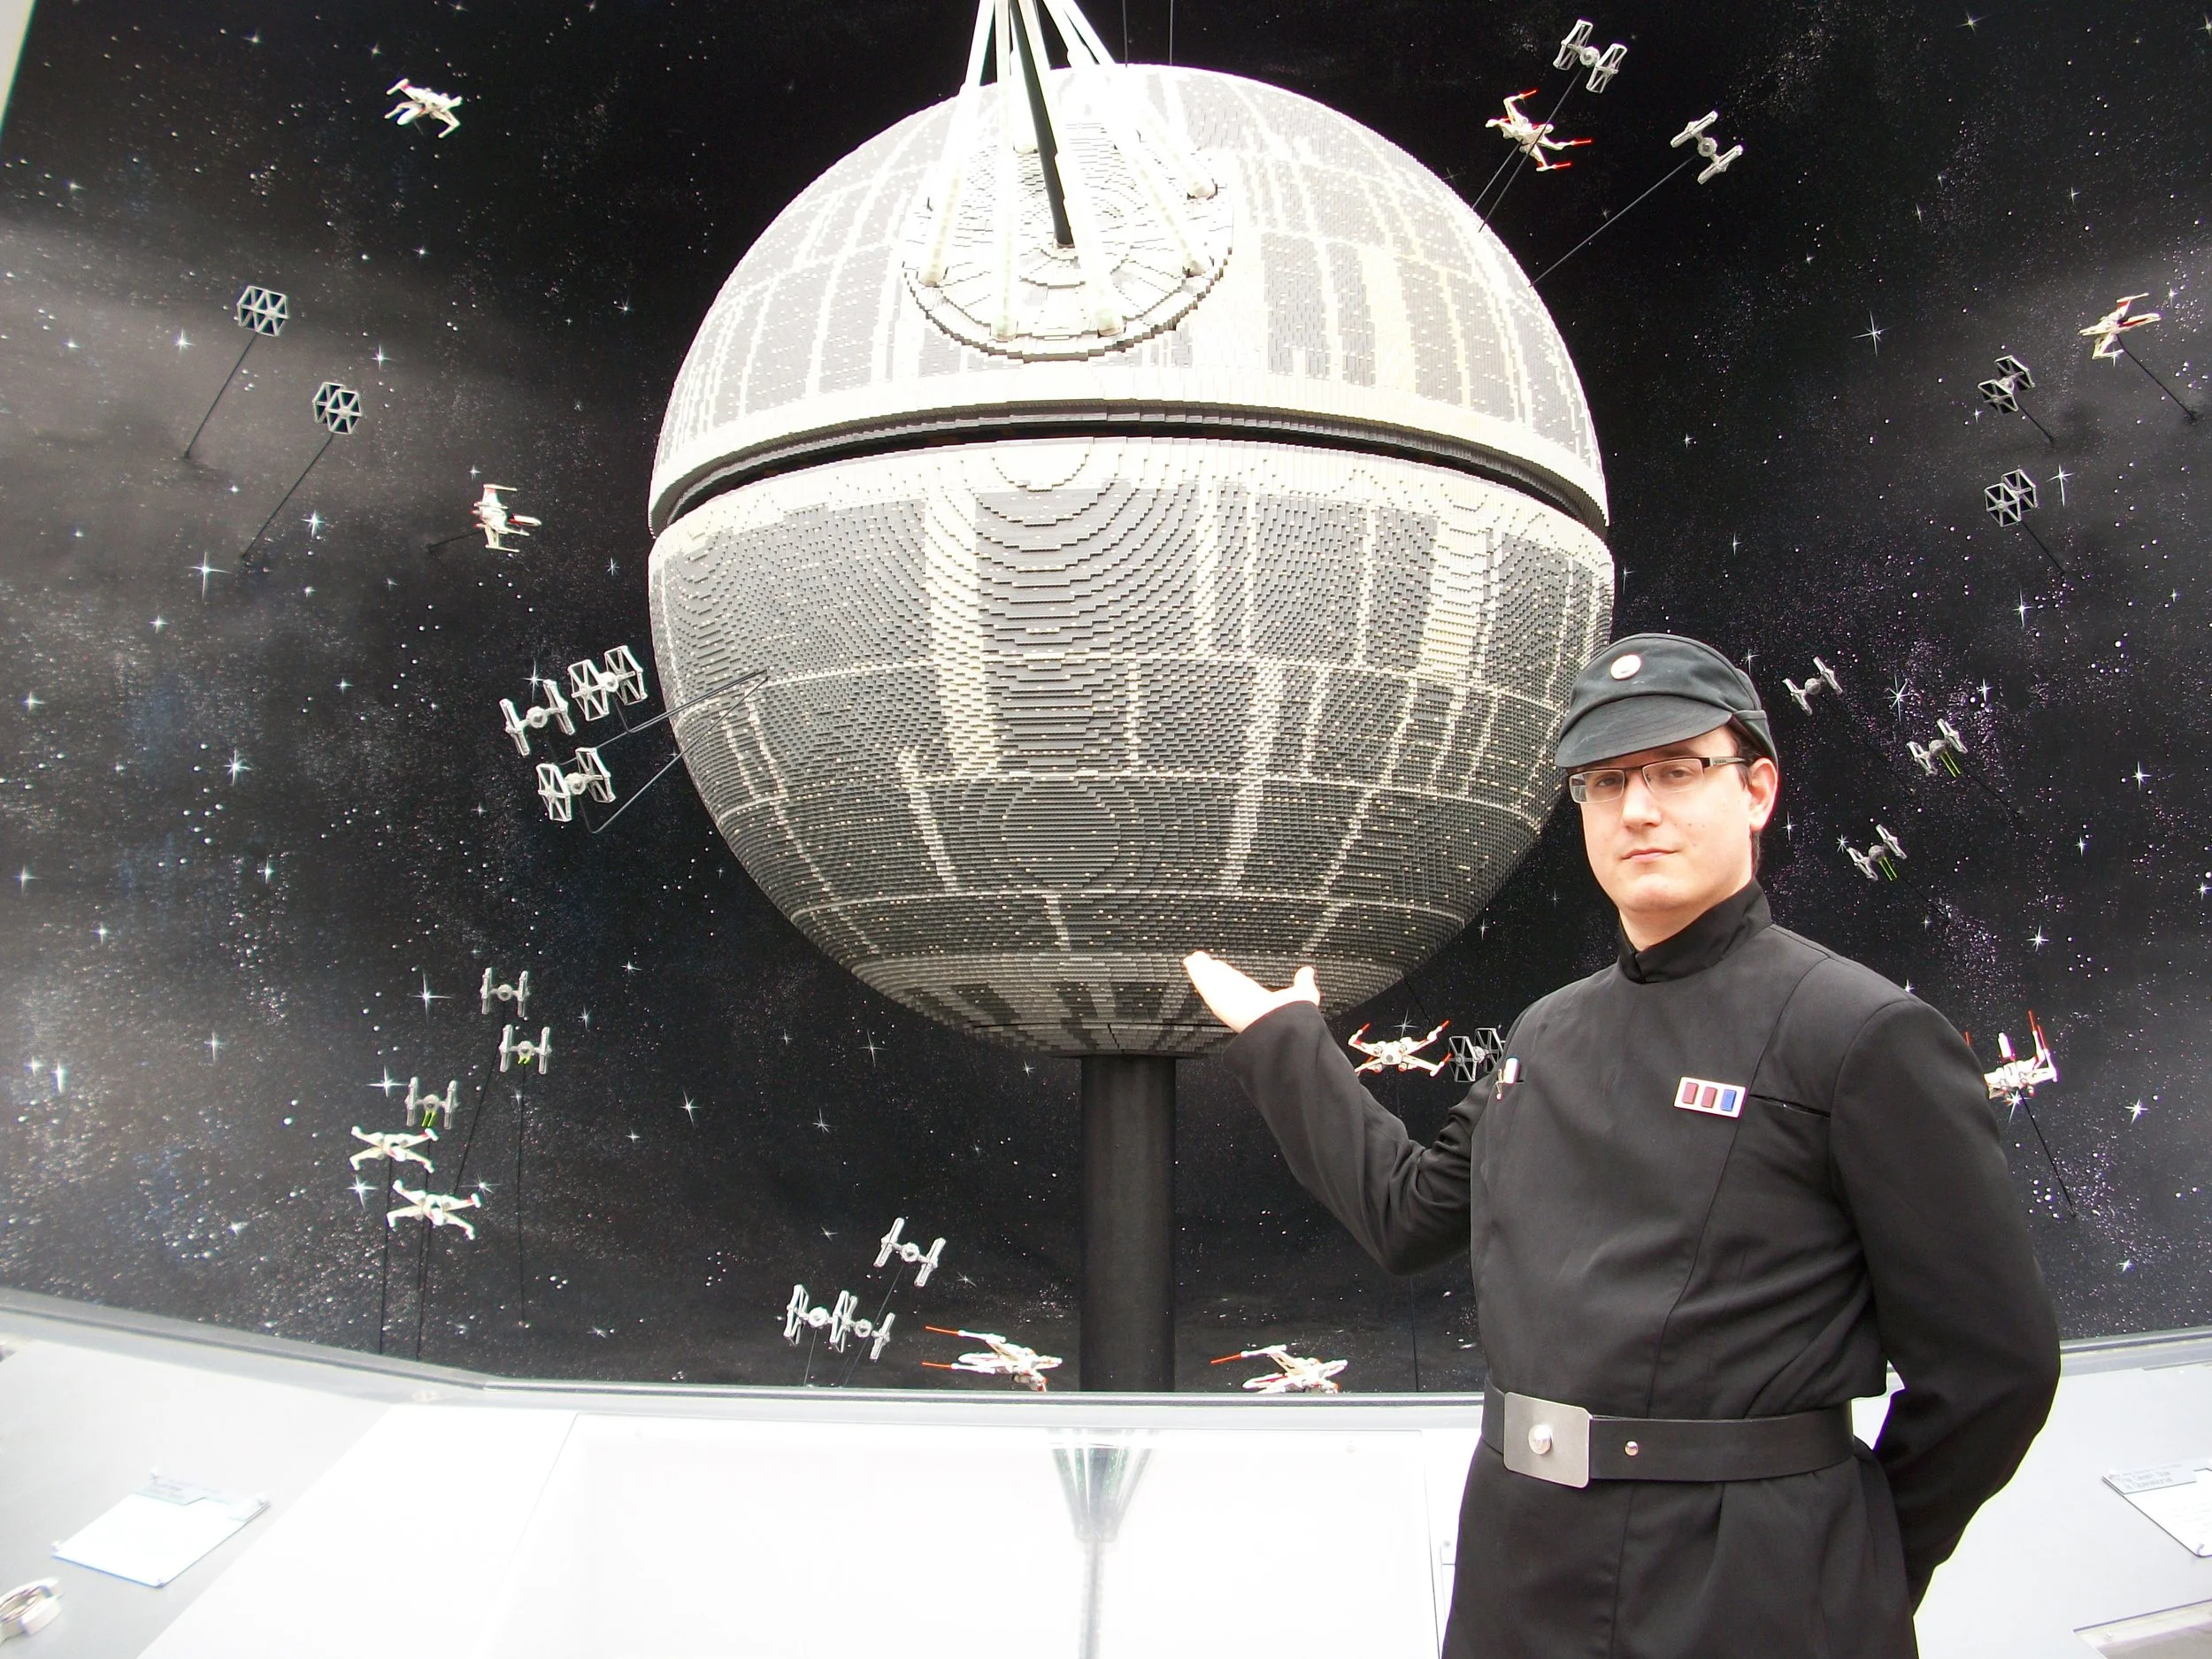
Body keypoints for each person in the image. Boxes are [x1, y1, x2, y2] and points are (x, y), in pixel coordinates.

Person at [1183, 633, 2058, 1659]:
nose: (1637, 808)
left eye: (1676, 770)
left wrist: (1844, 1568)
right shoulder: (1547, 1034)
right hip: (1520, 1571)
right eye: (1605, 781)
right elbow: (1409, 1218)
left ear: (1756, 790)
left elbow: (1994, 1373)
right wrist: (1287, 1043)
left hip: (1746, 1593)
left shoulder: (1860, 1037)